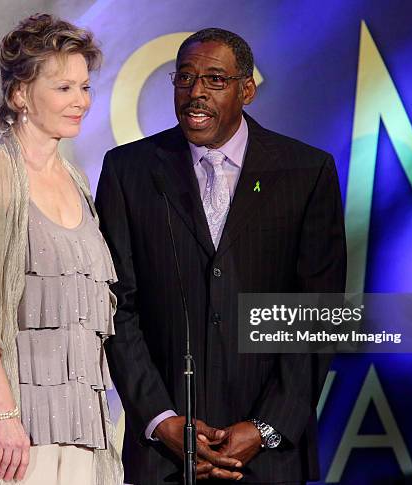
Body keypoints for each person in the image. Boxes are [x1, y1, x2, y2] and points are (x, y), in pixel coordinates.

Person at [95, 28, 346, 484]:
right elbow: (117, 306)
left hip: (268, 457)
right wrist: (160, 418)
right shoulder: (128, 170)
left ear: (246, 90)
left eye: (214, 79)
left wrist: (266, 426)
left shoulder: (305, 172)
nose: (195, 93)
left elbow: (318, 314)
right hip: (164, 456)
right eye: (185, 78)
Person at [0, 14, 123, 485]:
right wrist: (4, 416)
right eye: (64, 88)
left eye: (84, 88)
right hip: (18, 435)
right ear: (20, 94)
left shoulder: (78, 181)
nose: (80, 101)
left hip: (85, 429)